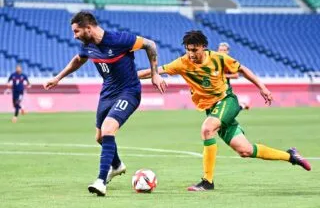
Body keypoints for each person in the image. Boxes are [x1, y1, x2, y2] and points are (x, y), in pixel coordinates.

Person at [137, 30, 311, 191]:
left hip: (226, 101)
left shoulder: (219, 58)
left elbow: (242, 69)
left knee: (207, 128)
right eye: (188, 50)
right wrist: (128, 76)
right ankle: (291, 156)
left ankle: (207, 181)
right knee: (245, 150)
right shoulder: (182, 63)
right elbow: (156, 71)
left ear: (203, 47)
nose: (191, 54)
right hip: (212, 108)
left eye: (195, 50)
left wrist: (263, 87)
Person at [44, 11, 167, 196]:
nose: (74, 36)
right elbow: (79, 59)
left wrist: (155, 73)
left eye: (76, 31)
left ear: (88, 28)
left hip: (129, 91)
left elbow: (150, 44)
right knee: (100, 137)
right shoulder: (88, 45)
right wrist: (58, 78)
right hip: (107, 93)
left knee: (109, 128)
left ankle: (101, 181)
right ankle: (117, 165)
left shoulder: (120, 39)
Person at [217, 42, 249, 110]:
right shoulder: (214, 61)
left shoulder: (230, 62)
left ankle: (241, 105)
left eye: (224, 50)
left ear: (228, 51)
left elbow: (236, 75)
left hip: (225, 88)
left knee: (227, 110)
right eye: (220, 50)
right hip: (215, 88)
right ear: (217, 50)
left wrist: (224, 75)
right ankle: (241, 105)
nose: (222, 52)